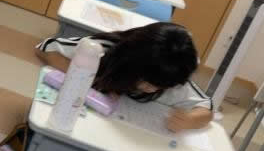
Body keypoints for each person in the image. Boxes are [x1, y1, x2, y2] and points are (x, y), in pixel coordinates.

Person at [36, 22, 212, 132]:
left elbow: (206, 108)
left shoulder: (171, 77)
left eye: (160, 86)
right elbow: (46, 48)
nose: (152, 89)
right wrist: (89, 77)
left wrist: (190, 120)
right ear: (130, 59)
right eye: (147, 81)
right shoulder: (103, 50)